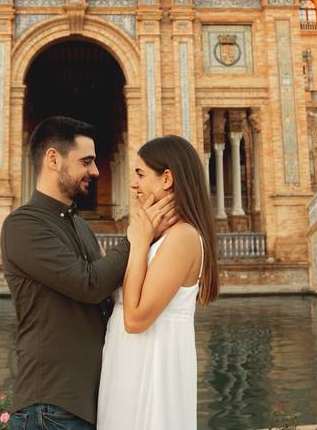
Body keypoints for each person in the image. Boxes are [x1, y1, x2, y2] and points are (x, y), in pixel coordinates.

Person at [1, 116, 179, 430]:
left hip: (88, 405)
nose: (95, 172)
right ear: (53, 159)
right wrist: (136, 238)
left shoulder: (78, 225)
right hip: (51, 407)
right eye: (86, 161)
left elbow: (107, 297)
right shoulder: (23, 225)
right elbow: (89, 284)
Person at [97, 134, 219, 430]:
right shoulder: (162, 235)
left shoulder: (183, 237)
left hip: (152, 364)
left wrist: (138, 242)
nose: (134, 183)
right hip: (129, 361)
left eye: (140, 174)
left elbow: (136, 319)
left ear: (167, 179)